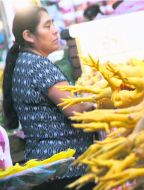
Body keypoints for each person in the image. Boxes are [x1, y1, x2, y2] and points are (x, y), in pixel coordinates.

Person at [2, 6, 95, 189]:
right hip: (64, 170)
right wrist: (98, 102)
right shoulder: (38, 66)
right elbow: (75, 111)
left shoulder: (25, 61)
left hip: (50, 169)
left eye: (53, 23)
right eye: (47, 25)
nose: (55, 30)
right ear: (28, 35)